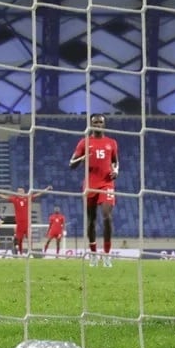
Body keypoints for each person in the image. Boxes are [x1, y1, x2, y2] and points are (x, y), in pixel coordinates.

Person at [70, 113, 119, 267]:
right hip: (90, 184)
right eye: (95, 122)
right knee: (91, 220)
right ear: (90, 124)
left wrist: (116, 171)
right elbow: (71, 164)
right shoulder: (84, 142)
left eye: (100, 122)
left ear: (104, 125)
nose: (97, 124)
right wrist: (81, 159)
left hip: (107, 184)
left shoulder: (111, 143)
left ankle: (107, 254)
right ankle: (92, 254)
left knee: (107, 216)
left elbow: (116, 162)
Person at [0, 185, 53, 255]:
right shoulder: (15, 199)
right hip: (19, 224)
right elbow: (5, 197)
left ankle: (30, 252)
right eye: (18, 191)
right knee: (19, 240)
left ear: (24, 191)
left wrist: (46, 189)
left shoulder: (27, 198)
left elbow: (38, 194)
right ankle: (20, 253)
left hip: (27, 223)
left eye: (21, 191)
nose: (20, 192)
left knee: (29, 239)